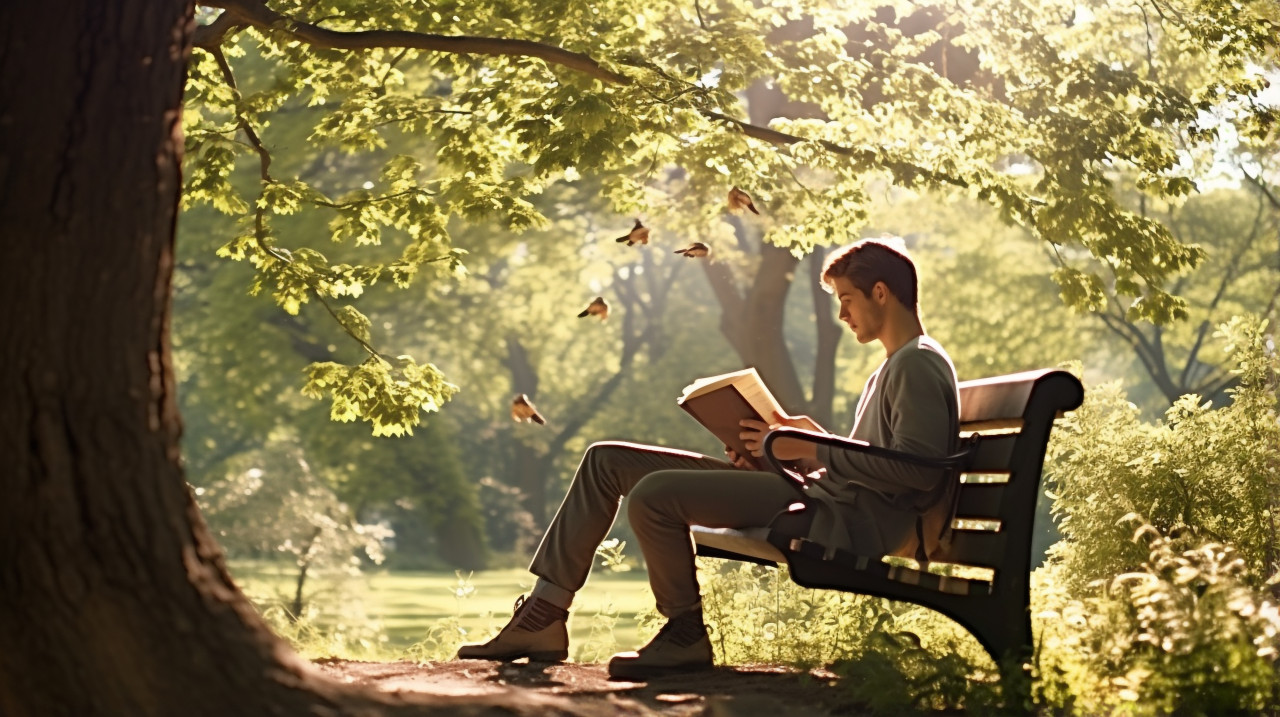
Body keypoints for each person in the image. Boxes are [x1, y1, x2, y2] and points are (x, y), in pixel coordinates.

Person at [455, 237, 959, 680]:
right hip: (819, 494)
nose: (843, 314)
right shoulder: (895, 366)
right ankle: (544, 614)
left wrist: (814, 447)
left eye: (847, 299)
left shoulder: (917, 363)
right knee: (607, 460)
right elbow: (870, 464)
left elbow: (915, 473)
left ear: (880, 293)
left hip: (846, 522)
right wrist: (796, 451)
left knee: (655, 495)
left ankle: (684, 632)